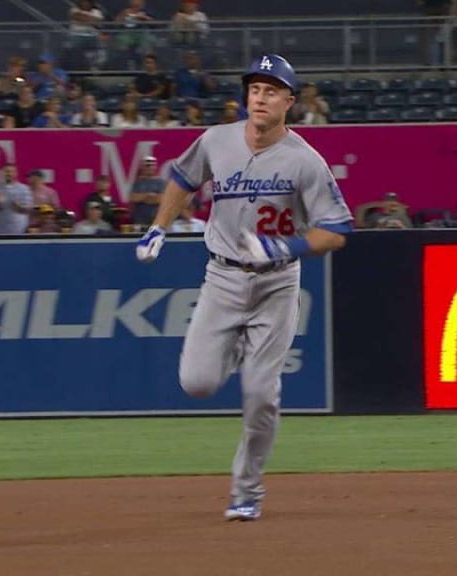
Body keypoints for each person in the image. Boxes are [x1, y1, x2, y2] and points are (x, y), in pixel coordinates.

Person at [135, 54, 353, 521]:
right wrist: (158, 226)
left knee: (260, 394)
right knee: (197, 382)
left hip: (276, 284)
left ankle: (246, 491)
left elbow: (337, 231)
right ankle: (237, 350)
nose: (260, 96)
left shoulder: (305, 161)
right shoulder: (218, 140)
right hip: (223, 277)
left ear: (289, 102)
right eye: (255, 88)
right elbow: (181, 178)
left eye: (271, 90)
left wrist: (284, 247)